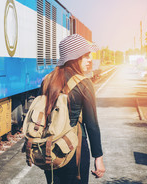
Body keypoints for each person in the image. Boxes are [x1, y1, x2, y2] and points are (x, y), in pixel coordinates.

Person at [41, 34, 105, 184]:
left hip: (50, 149)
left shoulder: (47, 80)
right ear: (75, 57)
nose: (90, 59)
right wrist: (99, 157)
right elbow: (92, 125)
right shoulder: (84, 84)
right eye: (86, 55)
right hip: (74, 150)